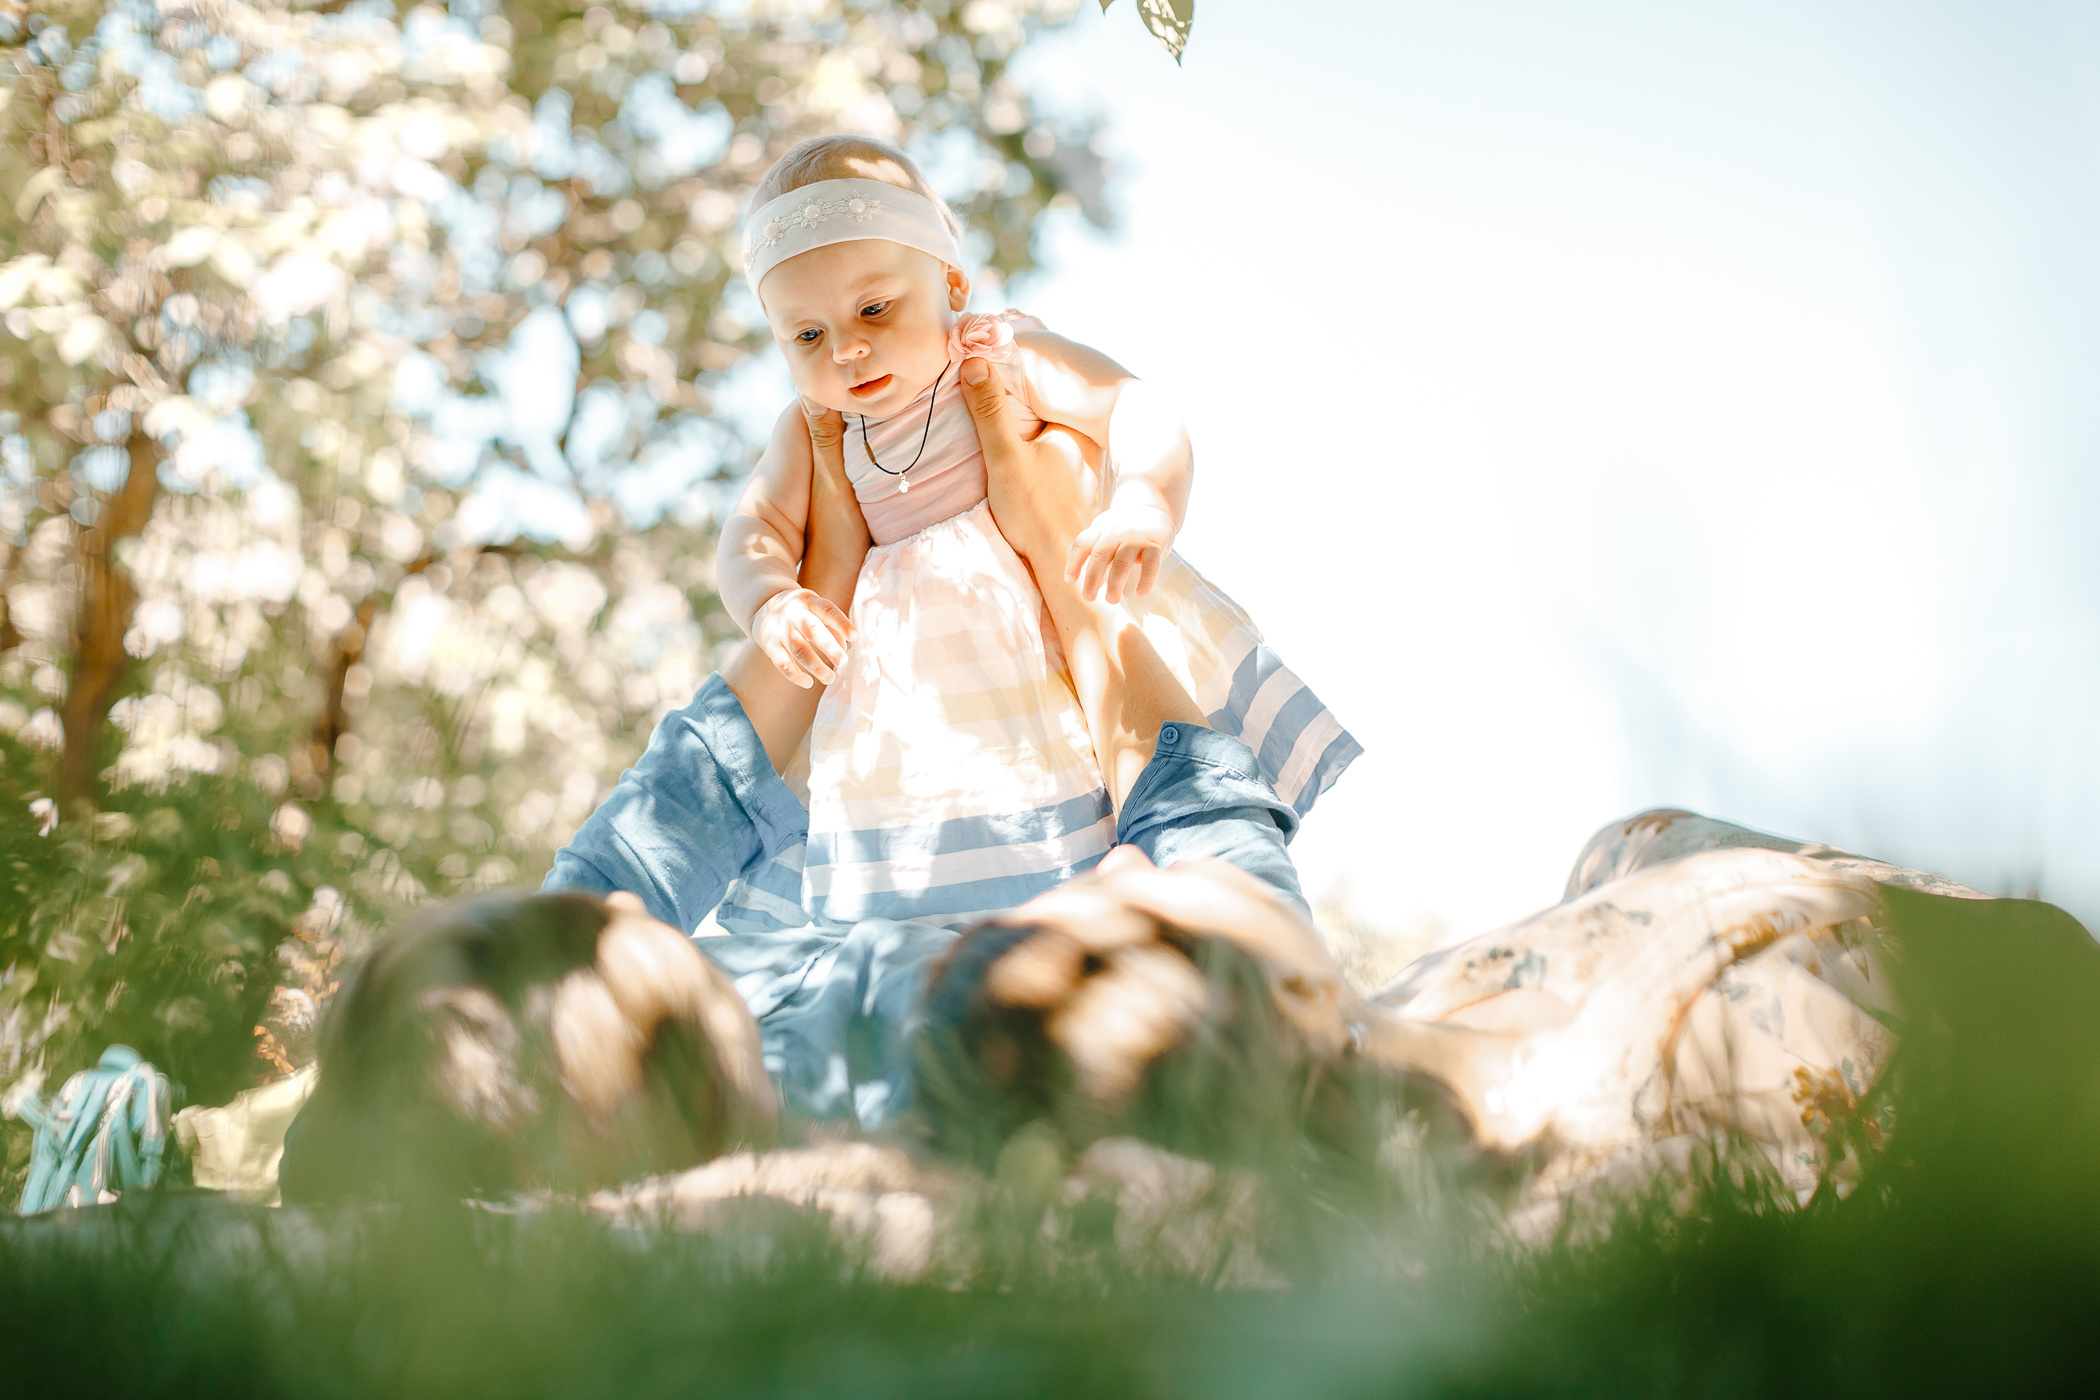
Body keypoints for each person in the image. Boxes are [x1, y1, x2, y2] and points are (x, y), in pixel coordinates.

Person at [708, 134, 1360, 932]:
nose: (846, 347)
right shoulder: (814, 431)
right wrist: (771, 600)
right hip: (919, 704)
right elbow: (754, 531)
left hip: (1050, 652)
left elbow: (1130, 404)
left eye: (874, 308)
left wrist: (1144, 503)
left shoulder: (1000, 356)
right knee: (939, 873)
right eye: (806, 336)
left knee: (1110, 811)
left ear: (949, 279)